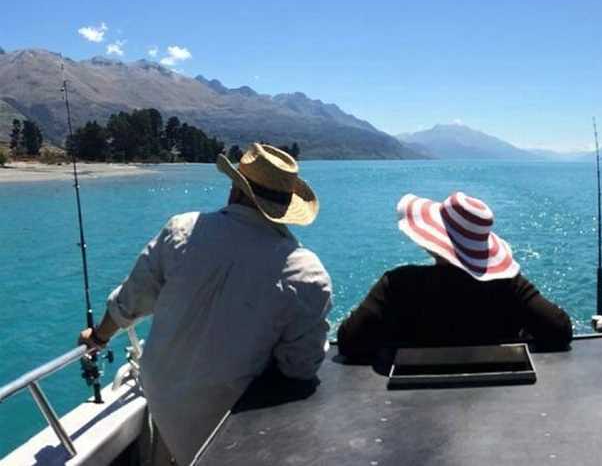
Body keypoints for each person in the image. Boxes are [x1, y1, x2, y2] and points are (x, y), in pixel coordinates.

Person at [77, 143, 332, 465]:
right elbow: (300, 367)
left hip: (164, 400)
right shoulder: (306, 272)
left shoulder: (181, 229)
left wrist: (98, 337)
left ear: (235, 190)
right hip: (231, 420)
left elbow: (130, 301)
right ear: (283, 209)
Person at [337, 192, 571, 360]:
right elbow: (559, 330)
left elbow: (350, 343)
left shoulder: (397, 284)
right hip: (494, 406)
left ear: (433, 243)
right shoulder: (510, 286)